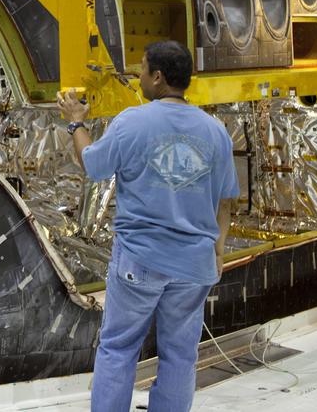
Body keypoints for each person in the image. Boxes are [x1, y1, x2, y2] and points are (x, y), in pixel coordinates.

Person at [58, 40, 238, 412]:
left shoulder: (132, 121)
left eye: (141, 70)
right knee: (180, 356)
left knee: (119, 349)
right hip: (194, 266)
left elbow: (92, 166)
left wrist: (76, 121)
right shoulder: (215, 131)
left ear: (157, 77)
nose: (138, 77)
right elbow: (226, 201)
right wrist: (218, 250)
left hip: (140, 262)